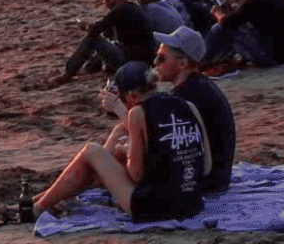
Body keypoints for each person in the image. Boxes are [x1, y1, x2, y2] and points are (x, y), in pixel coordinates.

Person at [30, 61, 207, 222]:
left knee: (92, 150)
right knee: (113, 142)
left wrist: (125, 150)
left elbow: (135, 173)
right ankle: (45, 198)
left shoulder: (138, 112)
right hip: (192, 202)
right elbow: (206, 166)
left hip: (157, 208)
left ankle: (38, 208)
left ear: (130, 96)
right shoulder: (187, 106)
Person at [153, 26, 235, 194]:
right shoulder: (199, 86)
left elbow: (156, 140)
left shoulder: (187, 95)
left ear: (183, 64)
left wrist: (122, 111)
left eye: (161, 58)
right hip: (216, 176)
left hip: (204, 182)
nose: (155, 62)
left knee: (99, 152)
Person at [50, 0, 154, 86]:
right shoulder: (132, 8)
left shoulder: (120, 9)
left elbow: (94, 31)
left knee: (92, 40)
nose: (104, 1)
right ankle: (88, 68)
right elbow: (107, 30)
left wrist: (85, 26)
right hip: (143, 60)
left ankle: (67, 74)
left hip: (132, 60)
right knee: (106, 40)